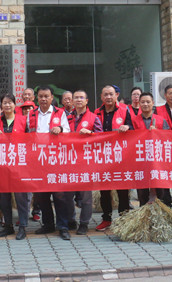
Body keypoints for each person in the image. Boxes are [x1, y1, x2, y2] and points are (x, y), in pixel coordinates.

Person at [29, 86, 73, 240]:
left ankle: (63, 226)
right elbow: (27, 134)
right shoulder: (32, 113)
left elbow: (68, 130)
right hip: (38, 159)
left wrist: (60, 128)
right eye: (41, 96)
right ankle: (48, 224)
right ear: (37, 98)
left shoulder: (59, 112)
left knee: (59, 195)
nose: (43, 99)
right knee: (42, 195)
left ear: (52, 97)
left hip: (55, 159)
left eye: (46, 96)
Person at [94, 85, 133, 231]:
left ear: (116, 95)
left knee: (122, 189)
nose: (108, 97)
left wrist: (128, 127)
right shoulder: (97, 112)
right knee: (104, 190)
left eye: (111, 94)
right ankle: (106, 219)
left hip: (121, 156)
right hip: (103, 156)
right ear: (101, 97)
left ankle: (124, 218)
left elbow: (133, 128)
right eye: (106, 94)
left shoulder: (125, 110)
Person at [0, 93, 30, 240]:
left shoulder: (23, 120)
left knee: (21, 197)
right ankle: (8, 226)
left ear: (15, 105)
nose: (7, 105)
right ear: (1, 105)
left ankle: (23, 227)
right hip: (2, 164)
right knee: (4, 199)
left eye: (10, 102)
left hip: (19, 164)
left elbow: (30, 140)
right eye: (5, 103)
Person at [69, 89, 102, 235]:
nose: (78, 100)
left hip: (86, 162)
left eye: (81, 97)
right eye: (76, 98)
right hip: (68, 161)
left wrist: (91, 134)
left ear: (86, 101)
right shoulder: (67, 117)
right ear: (72, 101)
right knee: (67, 195)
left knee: (86, 196)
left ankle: (84, 223)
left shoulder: (94, 118)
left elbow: (101, 138)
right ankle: (71, 220)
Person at [134, 92, 171, 206]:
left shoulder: (161, 120)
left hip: (158, 162)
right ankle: (144, 212)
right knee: (142, 192)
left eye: (148, 102)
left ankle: (162, 212)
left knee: (161, 190)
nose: (145, 104)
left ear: (153, 103)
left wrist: (158, 133)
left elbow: (168, 139)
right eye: (143, 102)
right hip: (140, 161)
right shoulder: (134, 121)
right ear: (139, 104)